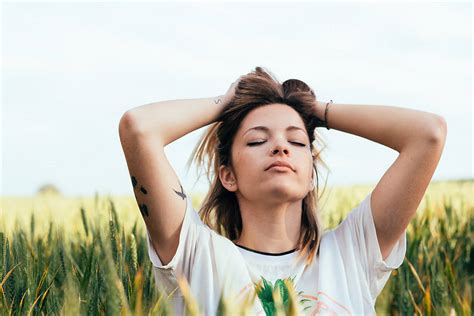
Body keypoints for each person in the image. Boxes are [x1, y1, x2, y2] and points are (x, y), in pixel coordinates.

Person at [118, 66, 447, 315]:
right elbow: (139, 128)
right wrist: (229, 102)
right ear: (228, 175)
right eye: (258, 140)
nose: (280, 147)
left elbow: (428, 133)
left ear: (310, 176)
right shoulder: (198, 256)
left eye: (297, 141)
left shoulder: (351, 253)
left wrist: (313, 109)